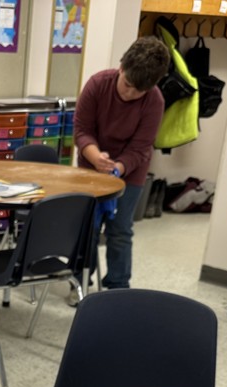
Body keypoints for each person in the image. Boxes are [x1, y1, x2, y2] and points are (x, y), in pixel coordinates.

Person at [72, 36, 170, 295]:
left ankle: (118, 288)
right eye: (127, 84)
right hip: (91, 166)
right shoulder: (97, 85)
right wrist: (95, 158)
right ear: (121, 68)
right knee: (87, 230)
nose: (129, 94)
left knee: (120, 231)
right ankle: (80, 283)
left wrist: (118, 169)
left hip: (129, 173)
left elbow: (140, 147)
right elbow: (82, 131)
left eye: (137, 91)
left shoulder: (155, 101)